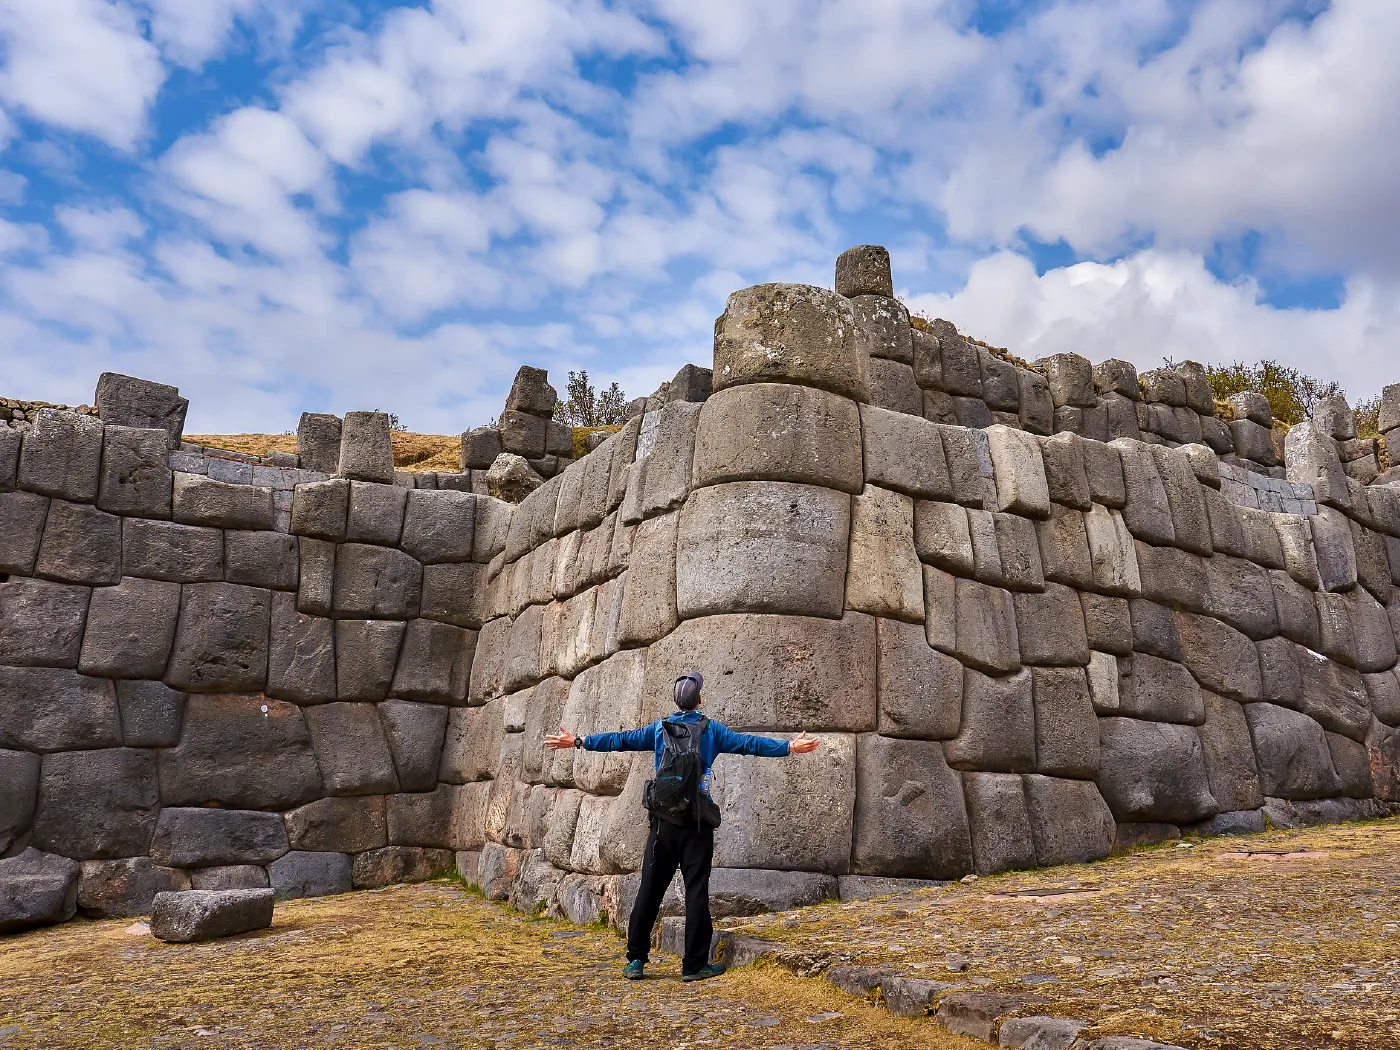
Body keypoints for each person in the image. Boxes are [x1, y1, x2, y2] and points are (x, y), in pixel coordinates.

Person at [544, 670, 821, 982]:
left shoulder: (658, 729)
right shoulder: (711, 731)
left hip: (662, 824)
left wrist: (579, 741)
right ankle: (693, 965)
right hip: (695, 825)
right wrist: (788, 747)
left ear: (676, 701)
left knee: (649, 890)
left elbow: (620, 740)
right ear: (699, 699)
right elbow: (749, 744)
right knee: (696, 892)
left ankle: (636, 960)